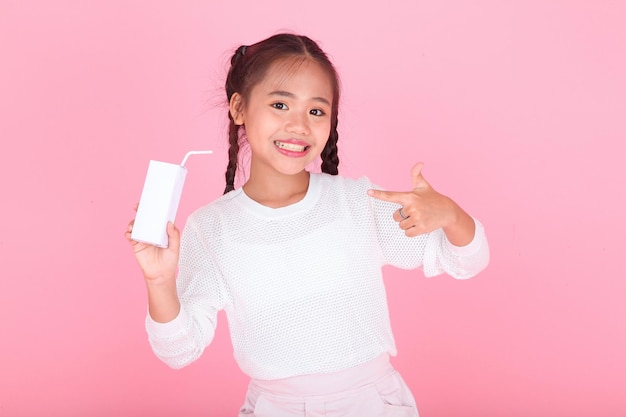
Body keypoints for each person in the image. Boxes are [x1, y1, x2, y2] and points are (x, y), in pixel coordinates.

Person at [125, 33, 489, 417]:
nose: (298, 125)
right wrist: (159, 281)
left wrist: (451, 214)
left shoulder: (357, 202)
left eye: (316, 111)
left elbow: (465, 261)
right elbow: (180, 350)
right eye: (280, 104)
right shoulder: (211, 228)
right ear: (239, 108)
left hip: (373, 404)